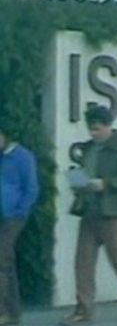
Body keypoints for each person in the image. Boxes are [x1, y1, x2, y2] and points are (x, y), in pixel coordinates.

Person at [61, 106, 117, 325]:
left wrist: (106, 184)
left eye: (97, 129)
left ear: (108, 126)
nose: (93, 133)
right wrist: (79, 183)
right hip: (90, 211)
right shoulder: (90, 148)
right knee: (82, 261)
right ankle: (84, 308)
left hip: (114, 212)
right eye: (91, 129)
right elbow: (87, 172)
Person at [0, 119, 39, 326]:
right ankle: (13, 310)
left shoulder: (22, 156)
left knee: (1, 257)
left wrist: (20, 211)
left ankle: (4, 311)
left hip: (14, 216)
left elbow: (31, 188)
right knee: (6, 261)